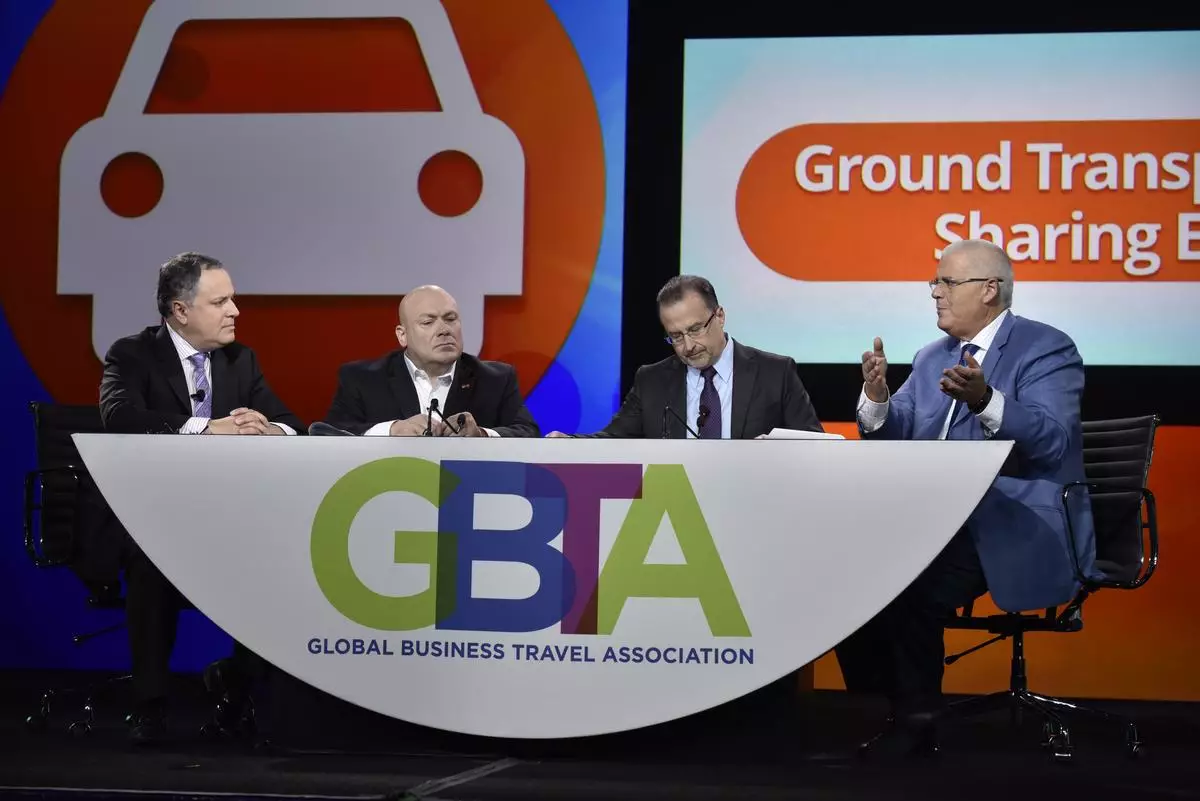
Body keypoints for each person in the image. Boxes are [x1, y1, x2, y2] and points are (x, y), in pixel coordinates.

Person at [836, 238, 1097, 758]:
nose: (935, 292)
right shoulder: (931, 357)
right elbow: (896, 431)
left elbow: (1052, 442)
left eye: (947, 282)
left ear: (989, 289)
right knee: (851, 566)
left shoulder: (1046, 349)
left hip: (1010, 521)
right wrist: (878, 399)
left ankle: (915, 724)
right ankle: (892, 703)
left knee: (908, 584)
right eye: (935, 282)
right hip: (930, 520)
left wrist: (985, 400)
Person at [99, 252, 304, 745]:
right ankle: (150, 706)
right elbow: (119, 416)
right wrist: (206, 428)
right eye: (220, 301)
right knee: (151, 564)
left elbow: (291, 423)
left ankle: (237, 687)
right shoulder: (133, 354)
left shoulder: (240, 359)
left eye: (233, 299)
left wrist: (267, 429)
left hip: (229, 520)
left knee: (280, 563)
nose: (235, 310)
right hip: (151, 518)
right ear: (180, 310)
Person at [547, 275, 822, 438]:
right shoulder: (651, 380)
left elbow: (814, 446)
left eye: (695, 329)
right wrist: (571, 444)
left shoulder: (775, 373)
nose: (688, 346)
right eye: (676, 336)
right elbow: (614, 440)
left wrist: (776, 454)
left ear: (720, 316)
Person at [323, 285, 539, 438]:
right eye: (428, 322)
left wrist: (481, 434)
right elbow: (328, 433)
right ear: (402, 335)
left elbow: (528, 432)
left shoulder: (496, 379)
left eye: (451, 319)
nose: (444, 330)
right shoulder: (362, 379)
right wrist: (392, 430)